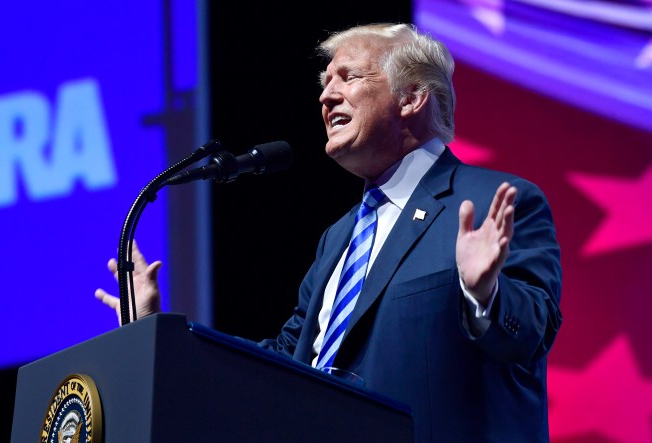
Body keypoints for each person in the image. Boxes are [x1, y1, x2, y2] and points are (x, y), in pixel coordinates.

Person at [95, 22, 562, 442]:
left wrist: (483, 295)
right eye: (325, 83)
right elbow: (282, 363)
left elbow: (532, 334)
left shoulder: (491, 202)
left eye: (349, 77)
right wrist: (159, 333)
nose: (326, 96)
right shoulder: (338, 238)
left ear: (412, 97)